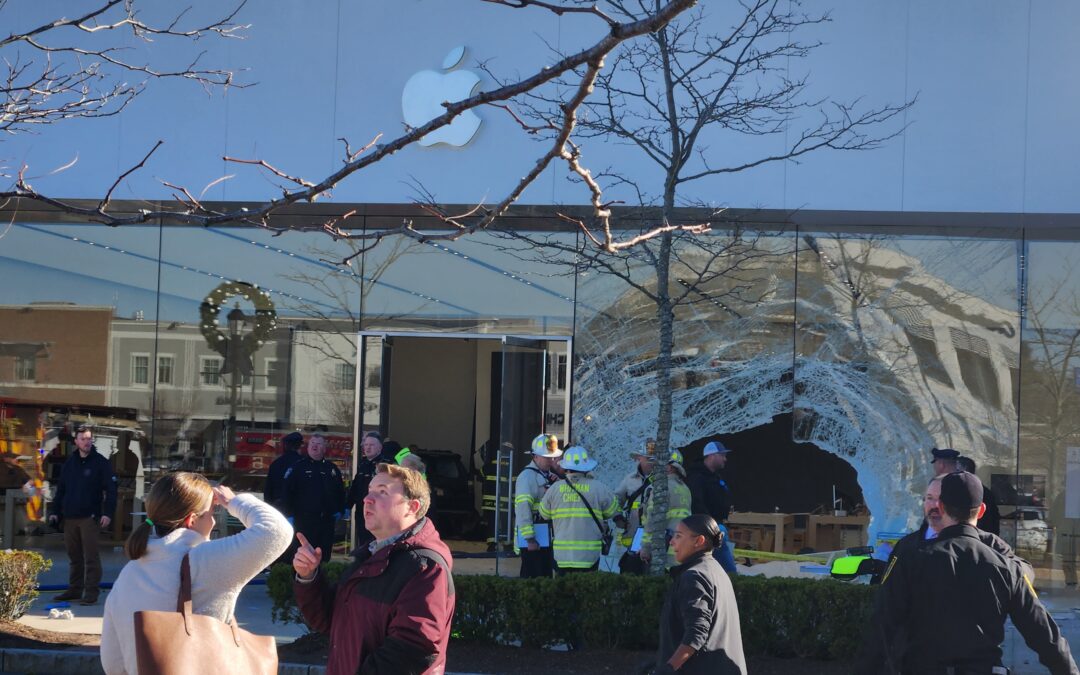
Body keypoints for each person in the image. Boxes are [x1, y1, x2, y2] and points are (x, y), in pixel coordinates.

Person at [857, 471, 1078, 675]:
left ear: (942, 507)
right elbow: (1045, 636)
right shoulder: (1006, 566)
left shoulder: (911, 559)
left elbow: (882, 626)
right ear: (981, 510)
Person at [100, 472, 292, 675]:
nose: (214, 523)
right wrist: (234, 502)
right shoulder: (205, 560)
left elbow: (113, 663)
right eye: (212, 515)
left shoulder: (130, 571)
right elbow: (277, 531)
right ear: (191, 520)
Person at [293, 463, 455, 675]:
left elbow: (412, 648)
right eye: (369, 491)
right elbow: (330, 621)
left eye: (382, 492)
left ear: (412, 507)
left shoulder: (424, 567)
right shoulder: (371, 555)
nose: (367, 499)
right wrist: (309, 577)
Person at [655, 514, 746, 675]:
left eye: (678, 536)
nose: (671, 541)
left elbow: (696, 633)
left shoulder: (694, 577)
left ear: (699, 541)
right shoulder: (715, 570)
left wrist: (668, 668)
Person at [48, 426, 118, 605]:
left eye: (89, 439)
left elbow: (111, 490)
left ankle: (91, 593)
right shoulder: (70, 463)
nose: (87, 442)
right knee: (74, 556)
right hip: (70, 517)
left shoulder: (100, 462)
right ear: (76, 442)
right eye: (83, 439)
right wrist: (55, 512)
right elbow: (61, 490)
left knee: (91, 557)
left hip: (90, 516)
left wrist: (107, 513)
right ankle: (75, 589)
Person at [539, 445, 618, 573]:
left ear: (565, 467)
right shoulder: (599, 488)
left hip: (562, 558)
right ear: (587, 468)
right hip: (589, 557)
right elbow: (613, 511)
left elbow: (544, 514)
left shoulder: (554, 489)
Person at [284, 433, 347, 563]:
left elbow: (340, 492)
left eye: (318, 444)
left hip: (326, 522)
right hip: (304, 522)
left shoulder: (332, 469)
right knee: (303, 556)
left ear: (324, 448)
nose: (315, 446)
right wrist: (288, 515)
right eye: (312, 443)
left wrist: (341, 510)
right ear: (307, 447)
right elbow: (287, 493)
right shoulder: (298, 467)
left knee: (323, 556)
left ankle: (321, 582)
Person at [514, 433, 562, 578]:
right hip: (534, 540)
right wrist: (530, 538)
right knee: (533, 579)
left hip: (545, 537)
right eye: (546, 457)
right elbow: (523, 508)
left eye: (552, 457)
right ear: (535, 456)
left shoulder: (548, 476)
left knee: (545, 577)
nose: (550, 460)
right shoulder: (527, 477)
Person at [639, 449, 692, 569]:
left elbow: (652, 520)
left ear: (669, 468)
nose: (655, 468)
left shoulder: (661, 487)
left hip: (661, 552)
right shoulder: (686, 489)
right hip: (681, 551)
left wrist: (646, 548)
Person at [347, 431, 395, 548]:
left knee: (378, 545)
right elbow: (355, 488)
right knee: (364, 544)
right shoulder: (362, 464)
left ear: (380, 447)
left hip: (379, 512)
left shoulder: (386, 466)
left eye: (371, 445)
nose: (367, 448)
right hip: (361, 512)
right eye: (366, 445)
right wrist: (347, 506)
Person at [614, 438, 655, 575]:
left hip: (655, 538)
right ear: (639, 458)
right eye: (648, 458)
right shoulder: (629, 480)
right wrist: (618, 517)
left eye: (654, 458)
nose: (652, 461)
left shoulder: (663, 480)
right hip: (633, 537)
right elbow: (616, 501)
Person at [687, 441, 732, 525]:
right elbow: (697, 503)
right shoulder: (696, 477)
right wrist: (709, 523)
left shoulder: (716, 477)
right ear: (712, 456)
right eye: (722, 455)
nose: (725, 459)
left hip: (717, 523)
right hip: (705, 526)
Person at [958, 455, 1001, 535]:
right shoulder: (983, 491)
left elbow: (992, 521)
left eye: (957, 470)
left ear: (965, 469)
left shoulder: (982, 493)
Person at [264, 430, 304, 512]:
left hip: (278, 507)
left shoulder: (276, 463)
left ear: (285, 446)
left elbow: (268, 490)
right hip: (298, 509)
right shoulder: (304, 464)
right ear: (300, 446)